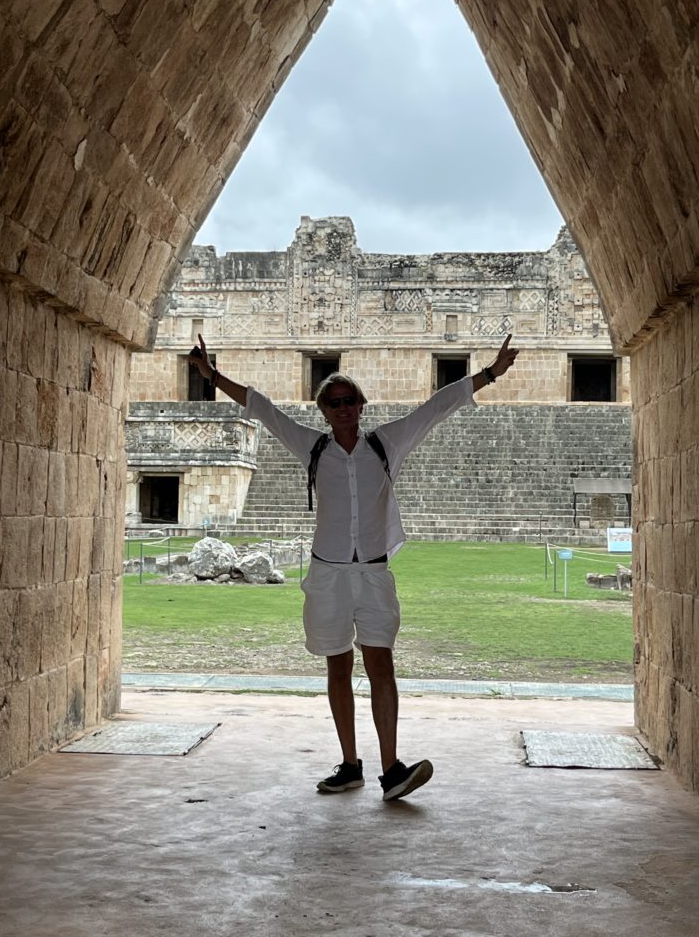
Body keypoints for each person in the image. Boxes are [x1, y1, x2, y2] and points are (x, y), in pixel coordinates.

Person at [189, 334, 519, 800]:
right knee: (338, 666)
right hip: (328, 575)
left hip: (373, 574)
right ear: (323, 411)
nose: (343, 408)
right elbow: (262, 407)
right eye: (334, 403)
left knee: (381, 664)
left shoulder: (386, 444)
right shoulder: (313, 447)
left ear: (362, 406)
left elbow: (435, 408)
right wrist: (212, 376)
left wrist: (490, 373)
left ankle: (392, 769)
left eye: (349, 401)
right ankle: (350, 765)